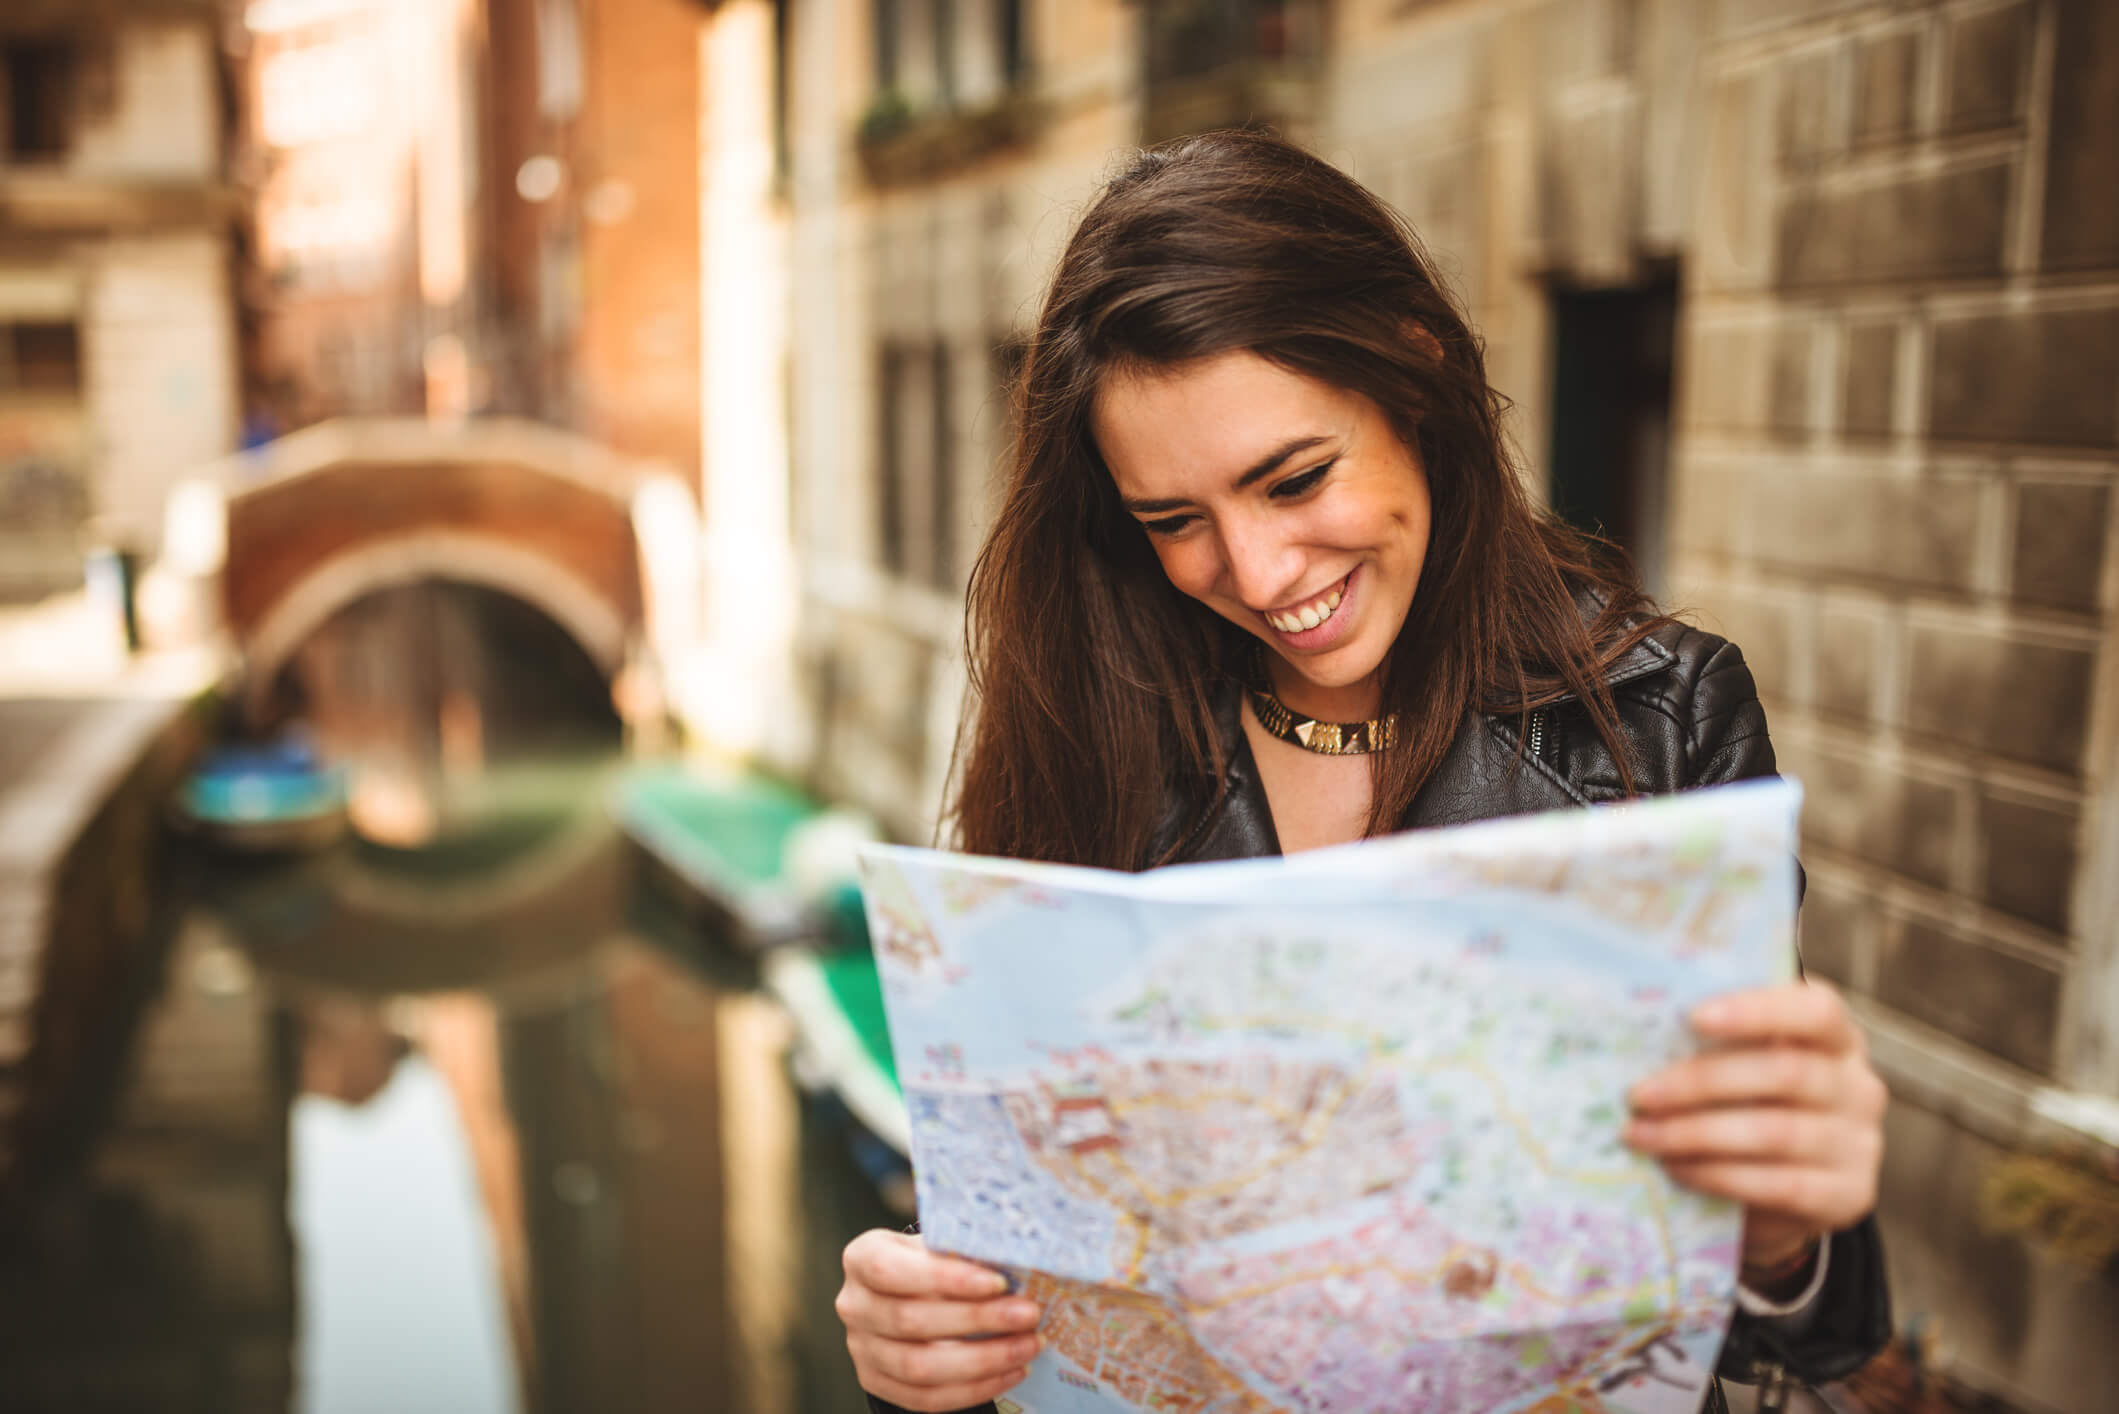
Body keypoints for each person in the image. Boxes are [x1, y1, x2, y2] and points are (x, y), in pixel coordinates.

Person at [835, 129, 1891, 1414]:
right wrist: (920, 1350)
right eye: (1175, 521)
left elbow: (1778, 1330)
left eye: (1293, 478)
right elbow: (1038, 1283)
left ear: (1417, 373)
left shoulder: (1666, 715)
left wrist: (1787, 1234)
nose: (1262, 574)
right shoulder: (1086, 740)